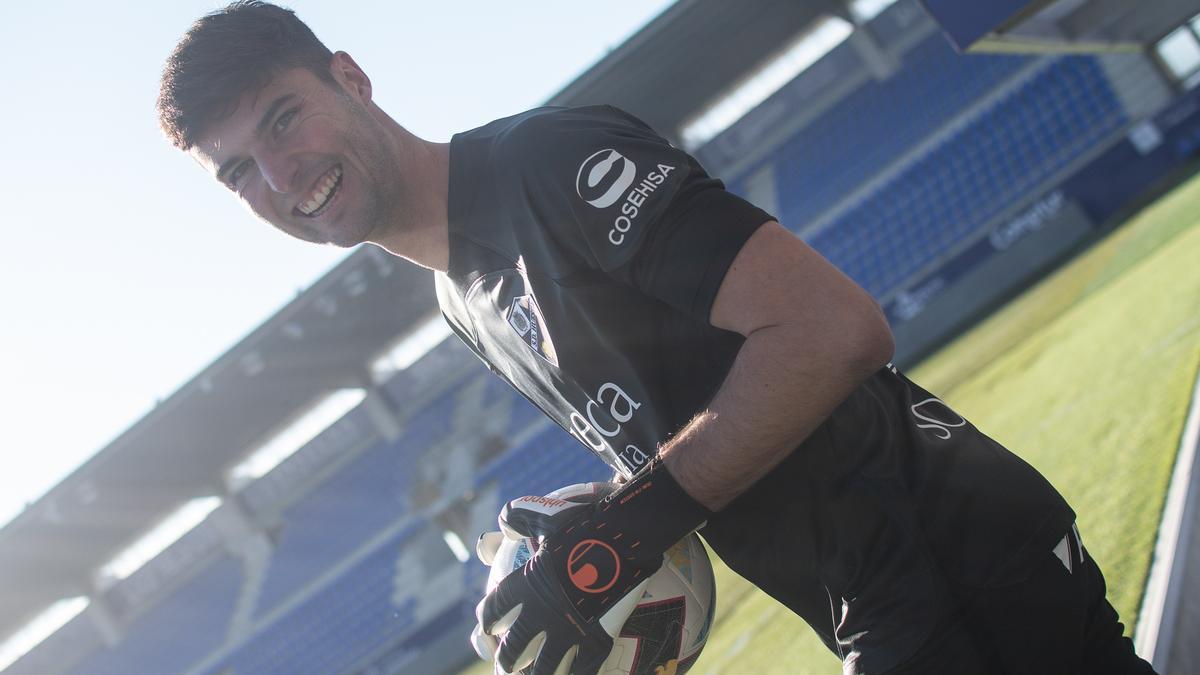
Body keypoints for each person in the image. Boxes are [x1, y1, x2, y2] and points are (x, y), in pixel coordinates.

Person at [156, 3, 1157, 673]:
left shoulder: (551, 163)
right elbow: (690, 424)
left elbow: (830, 329)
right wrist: (598, 518)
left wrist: (627, 527)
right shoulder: (459, 303)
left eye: (285, 121)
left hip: (959, 557)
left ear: (351, 78)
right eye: (240, 173)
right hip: (875, 601)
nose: (281, 179)